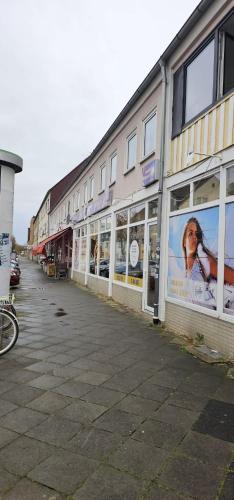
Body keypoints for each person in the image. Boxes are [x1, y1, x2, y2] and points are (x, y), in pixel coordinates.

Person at [182, 217, 234, 285]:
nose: (195, 237)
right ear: (184, 242)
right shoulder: (185, 273)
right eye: (190, 233)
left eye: (196, 234)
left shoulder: (205, 260)